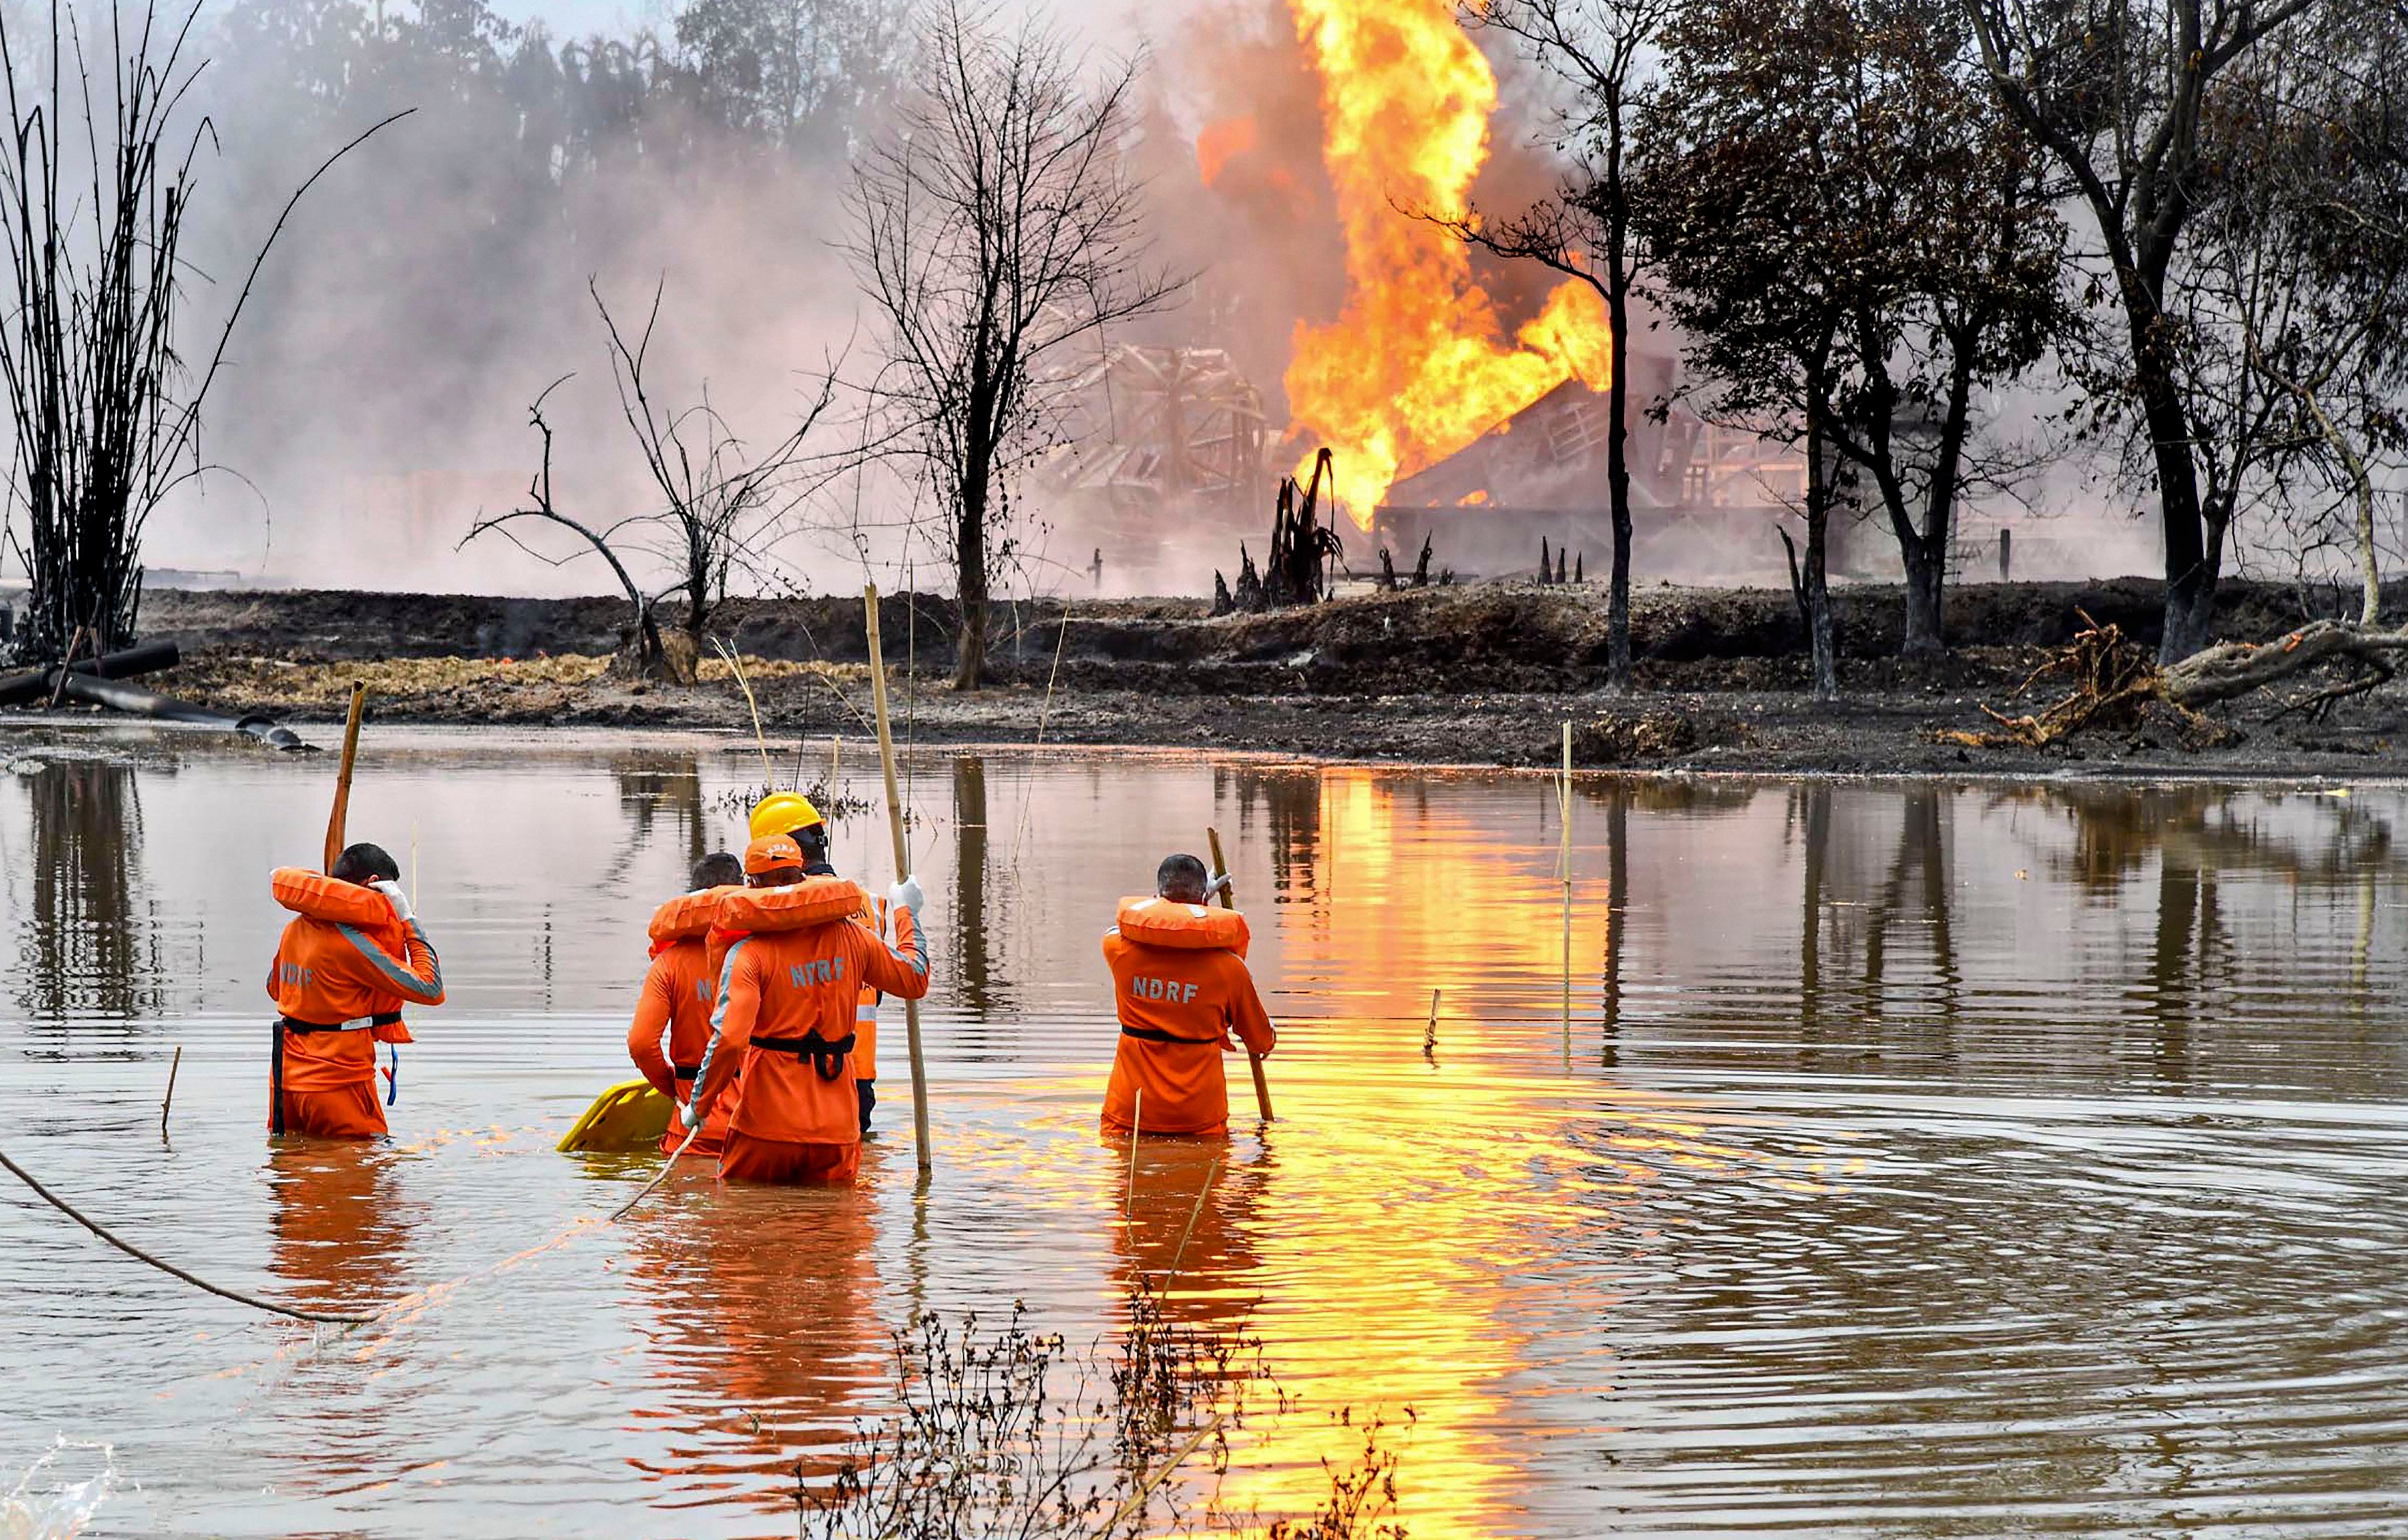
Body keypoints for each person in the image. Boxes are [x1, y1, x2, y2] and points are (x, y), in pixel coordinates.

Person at [684, 834, 930, 1185]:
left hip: (765, 1131)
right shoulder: (853, 938)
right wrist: (907, 912)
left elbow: (729, 1040)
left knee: (738, 1223)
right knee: (835, 1232)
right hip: (838, 1132)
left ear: (751, 886)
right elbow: (915, 977)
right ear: (802, 876)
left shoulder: (748, 954)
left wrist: (699, 1105)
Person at [265, 843, 444, 1138]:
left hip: (285, 1083)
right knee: (364, 1180)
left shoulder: (294, 928)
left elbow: (275, 989)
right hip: (338, 1084)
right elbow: (431, 988)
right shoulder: (354, 944)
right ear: (374, 885)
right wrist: (408, 921)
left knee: (295, 1174)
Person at [1101, 853, 1275, 1137]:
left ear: (1157, 896)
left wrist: (1168, 908)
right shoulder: (1230, 969)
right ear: (1204, 901)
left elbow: (1123, 926)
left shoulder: (1117, 950)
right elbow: (1261, 1041)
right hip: (1199, 1119)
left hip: (1129, 1113)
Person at [750, 791, 886, 1135]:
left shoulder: (784, 909)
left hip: (799, 1074)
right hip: (859, 1073)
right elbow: (881, 989)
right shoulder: (872, 905)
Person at [627, 851, 745, 1157]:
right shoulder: (763, 953)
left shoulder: (669, 964)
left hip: (692, 1127)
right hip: (758, 1126)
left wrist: (676, 1088)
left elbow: (641, 1044)